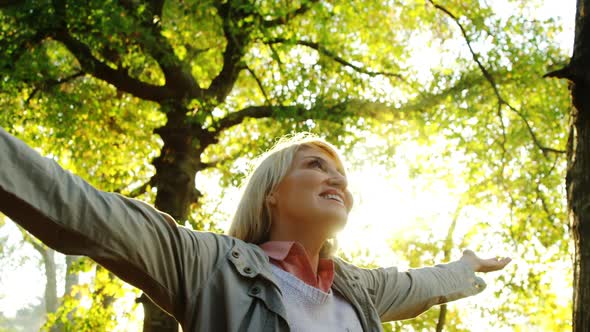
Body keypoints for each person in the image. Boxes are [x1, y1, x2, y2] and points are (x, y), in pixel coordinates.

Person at [0, 127, 511, 331]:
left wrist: (466, 267)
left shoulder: (359, 290)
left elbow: (423, 284)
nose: (337, 179)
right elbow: (78, 209)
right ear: (272, 191)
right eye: (315, 165)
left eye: (343, 176)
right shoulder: (208, 265)